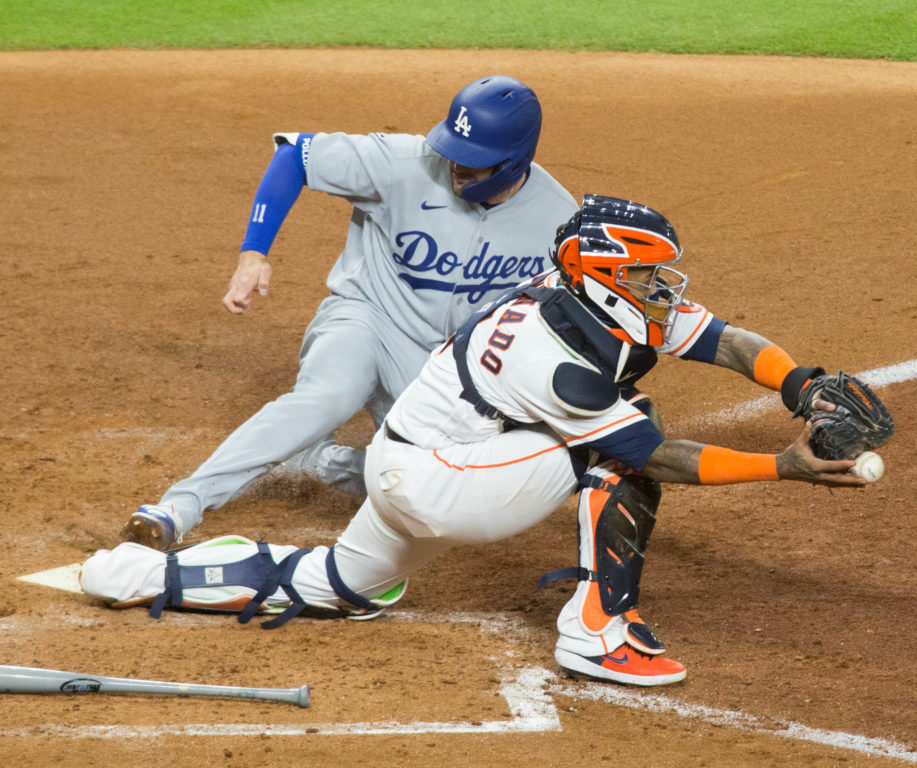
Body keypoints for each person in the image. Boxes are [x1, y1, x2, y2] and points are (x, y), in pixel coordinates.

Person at [84, 195, 867, 687]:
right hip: (442, 487)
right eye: (650, 277)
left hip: (411, 464)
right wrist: (786, 466)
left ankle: (138, 574)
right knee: (622, 439)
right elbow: (650, 457)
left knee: (335, 584)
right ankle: (596, 634)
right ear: (603, 276)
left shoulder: (596, 304)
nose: (667, 290)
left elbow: (725, 339)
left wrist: (797, 382)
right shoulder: (557, 359)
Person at [123, 75, 579, 551]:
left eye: (473, 164)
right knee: (327, 397)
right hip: (366, 318)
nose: (455, 167)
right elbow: (295, 155)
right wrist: (253, 252)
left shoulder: (555, 220)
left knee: (448, 482)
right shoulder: (403, 162)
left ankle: (320, 462)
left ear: (512, 163)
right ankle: (179, 506)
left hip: (440, 365)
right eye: (453, 152)